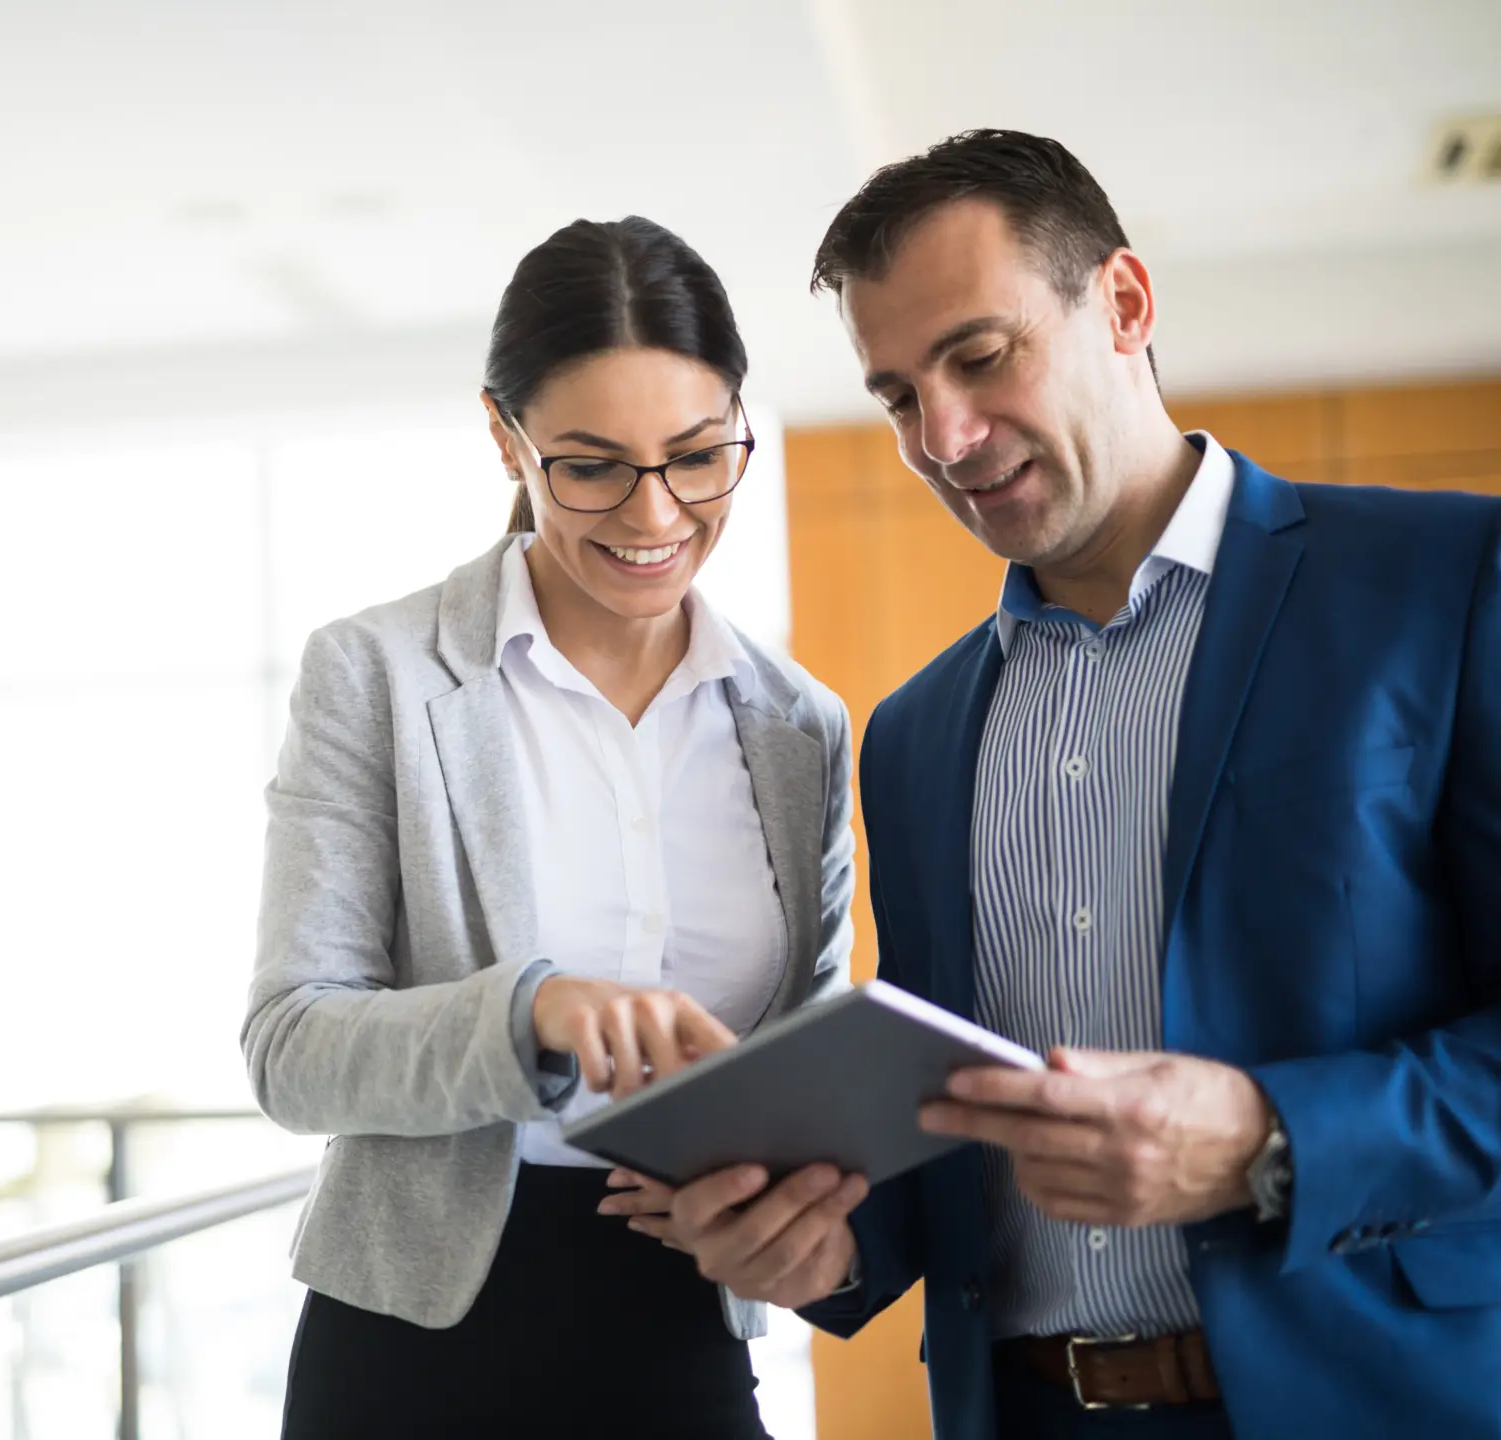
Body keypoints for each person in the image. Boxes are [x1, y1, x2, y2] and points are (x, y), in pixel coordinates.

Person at [665, 130, 1501, 1440]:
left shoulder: (1443, 584)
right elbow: (954, 1116)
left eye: (981, 357)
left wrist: (1268, 1134)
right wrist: (825, 1249)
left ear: (1122, 304)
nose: (943, 435)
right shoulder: (917, 734)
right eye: (896, 396)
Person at [242, 215, 855, 1438]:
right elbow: (291, 1049)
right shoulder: (378, 675)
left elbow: (803, 1062)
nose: (655, 512)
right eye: (591, 465)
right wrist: (534, 1010)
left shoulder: (801, 728)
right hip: (415, 1341)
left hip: (686, 1319)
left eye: (697, 455)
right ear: (504, 439)